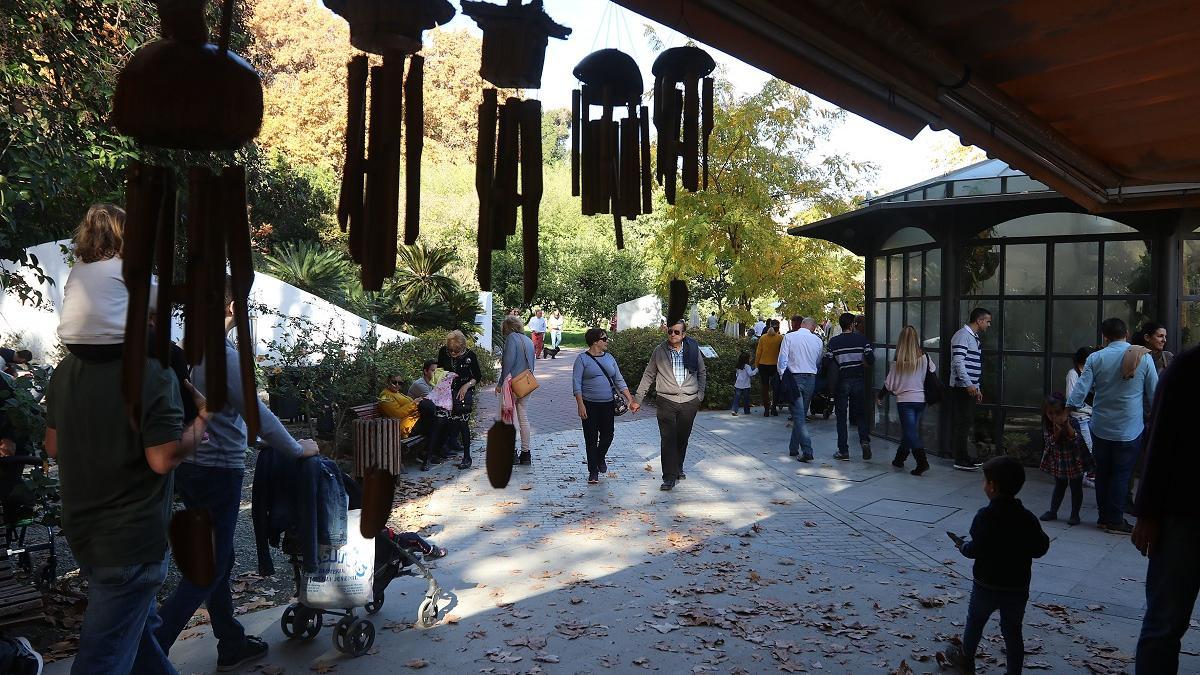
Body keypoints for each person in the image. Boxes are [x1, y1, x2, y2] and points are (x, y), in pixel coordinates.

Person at [157, 280, 320, 672]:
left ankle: (230, 641)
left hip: (194, 466)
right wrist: (299, 449)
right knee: (210, 566)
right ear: (231, 308)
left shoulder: (190, 348)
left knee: (220, 560)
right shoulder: (224, 356)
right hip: (217, 471)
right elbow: (258, 416)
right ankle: (151, 645)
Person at [44, 335, 210, 673]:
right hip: (132, 540)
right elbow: (164, 458)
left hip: (84, 531)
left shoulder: (66, 368)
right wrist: (204, 418)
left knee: (140, 634)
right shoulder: (154, 371)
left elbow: (52, 446)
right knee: (102, 659)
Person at [944, 456, 1050, 675]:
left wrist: (962, 546)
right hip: (1016, 586)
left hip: (986, 584)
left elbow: (975, 550)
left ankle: (966, 661)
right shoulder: (1027, 518)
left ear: (992, 486)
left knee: (975, 621)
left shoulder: (985, 516)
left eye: (985, 481)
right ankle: (1014, 672)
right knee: (1012, 631)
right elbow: (1040, 548)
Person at [1131, 346, 1200, 674]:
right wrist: (1147, 514)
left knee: (1164, 622)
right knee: (1164, 621)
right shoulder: (1189, 367)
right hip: (1184, 515)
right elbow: (1158, 442)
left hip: (1181, 515)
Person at [1066, 317, 1157, 534]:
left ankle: (1103, 517)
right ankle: (1115, 520)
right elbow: (1155, 391)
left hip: (1101, 427)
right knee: (1122, 474)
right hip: (1129, 428)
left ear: (1104, 337)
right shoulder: (1143, 357)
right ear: (1126, 332)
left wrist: (1069, 408)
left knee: (1104, 472)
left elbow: (1080, 389)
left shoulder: (1096, 358)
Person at [634, 321, 706, 491]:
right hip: (666, 400)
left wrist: (699, 396)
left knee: (682, 437)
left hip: (689, 401)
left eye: (676, 332)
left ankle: (678, 466)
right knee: (668, 439)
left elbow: (702, 372)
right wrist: (637, 399)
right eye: (670, 332)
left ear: (683, 335)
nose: (672, 334)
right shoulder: (660, 351)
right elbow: (649, 374)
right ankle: (669, 477)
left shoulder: (693, 350)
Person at [572, 327, 637, 484]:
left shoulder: (609, 358)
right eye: (604, 338)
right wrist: (580, 405)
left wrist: (630, 399)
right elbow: (576, 384)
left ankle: (600, 457)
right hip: (589, 404)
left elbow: (619, 380)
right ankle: (593, 471)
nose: (607, 341)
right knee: (591, 438)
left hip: (608, 404)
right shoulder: (582, 359)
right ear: (595, 342)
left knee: (608, 435)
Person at [877, 325, 934, 474]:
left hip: (905, 401)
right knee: (910, 431)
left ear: (901, 340)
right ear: (916, 339)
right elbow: (933, 371)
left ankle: (922, 462)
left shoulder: (898, 361)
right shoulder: (925, 357)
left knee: (911, 432)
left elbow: (889, 384)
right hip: (920, 400)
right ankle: (899, 459)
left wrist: (880, 396)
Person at [828, 312, 875, 460]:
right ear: (852, 324)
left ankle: (843, 451)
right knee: (860, 414)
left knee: (841, 417)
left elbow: (827, 362)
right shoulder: (862, 339)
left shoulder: (834, 342)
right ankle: (865, 441)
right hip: (858, 379)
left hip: (842, 380)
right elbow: (871, 358)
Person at [1038, 394, 1090, 527]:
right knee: (1059, 485)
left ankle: (1075, 514)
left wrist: (1066, 426)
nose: (1054, 417)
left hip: (1074, 459)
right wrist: (1056, 433)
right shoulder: (1047, 424)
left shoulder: (1072, 422)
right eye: (1050, 413)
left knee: (1076, 487)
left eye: (1058, 413)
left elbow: (1076, 440)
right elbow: (1049, 442)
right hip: (1059, 459)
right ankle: (1053, 511)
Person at [776, 316, 823, 462]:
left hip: (794, 378)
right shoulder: (818, 341)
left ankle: (807, 450)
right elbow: (818, 361)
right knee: (800, 414)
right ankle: (793, 448)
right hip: (810, 378)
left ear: (802, 324)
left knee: (798, 415)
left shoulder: (789, 337)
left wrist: (783, 376)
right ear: (813, 327)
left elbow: (782, 359)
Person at [950, 307, 991, 471]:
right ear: (979, 321)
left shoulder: (972, 337)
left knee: (966, 422)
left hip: (969, 387)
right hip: (962, 388)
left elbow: (972, 365)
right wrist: (968, 384)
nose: (988, 325)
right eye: (987, 321)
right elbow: (959, 362)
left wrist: (976, 387)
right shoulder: (962, 336)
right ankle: (960, 458)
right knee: (963, 423)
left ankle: (964, 456)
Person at [438, 330, 482, 469]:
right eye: (451, 350)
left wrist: (466, 386)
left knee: (463, 423)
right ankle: (441, 450)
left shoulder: (470, 356)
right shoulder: (443, 352)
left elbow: (477, 376)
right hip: (446, 391)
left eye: (457, 351)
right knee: (443, 420)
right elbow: (439, 370)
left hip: (463, 392)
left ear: (463, 347)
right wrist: (444, 377)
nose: (453, 354)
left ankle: (467, 457)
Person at [498, 315, 536, 464]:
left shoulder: (511, 339)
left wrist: (500, 383)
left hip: (512, 383)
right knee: (523, 417)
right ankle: (526, 453)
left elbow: (507, 363)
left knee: (509, 417)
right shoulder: (528, 340)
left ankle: (511, 452)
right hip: (526, 382)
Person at [753, 320, 783, 417]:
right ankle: (774, 408)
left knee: (765, 388)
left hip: (763, 365)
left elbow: (758, 352)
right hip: (775, 366)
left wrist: (756, 364)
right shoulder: (780, 338)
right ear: (778, 327)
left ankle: (766, 409)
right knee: (776, 388)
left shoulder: (763, 338)